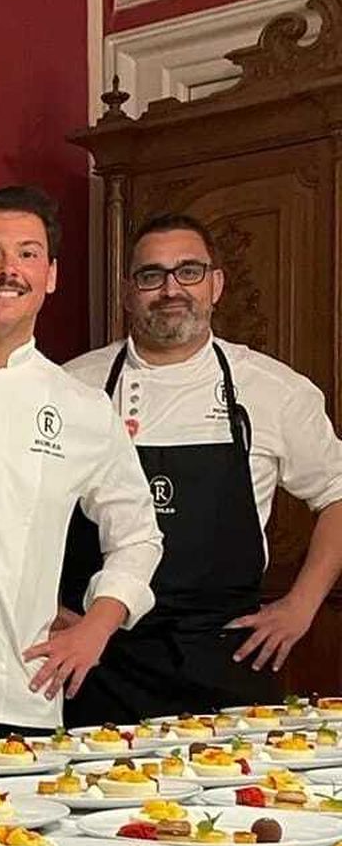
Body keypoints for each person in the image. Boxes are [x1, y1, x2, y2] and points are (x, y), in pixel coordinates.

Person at [61, 212, 342, 721]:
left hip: (225, 655)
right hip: (98, 657)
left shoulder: (274, 390)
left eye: (188, 271)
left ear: (216, 284)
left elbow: (337, 494)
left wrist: (302, 605)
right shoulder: (73, 385)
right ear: (129, 291)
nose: (171, 289)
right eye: (152, 275)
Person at [0, 187, 161, 747]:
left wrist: (97, 628)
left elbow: (140, 535)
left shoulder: (80, 405)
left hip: (19, 688)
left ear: (50, 275)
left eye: (27, 254)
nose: (8, 271)